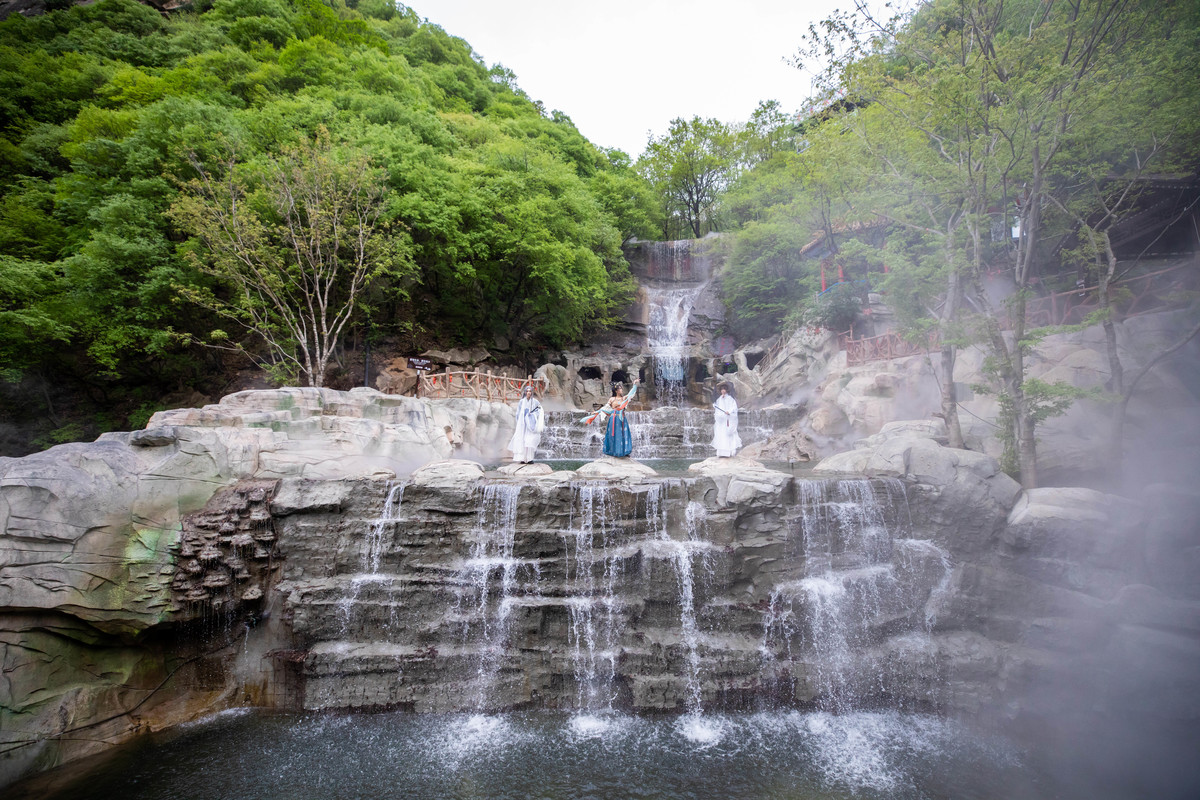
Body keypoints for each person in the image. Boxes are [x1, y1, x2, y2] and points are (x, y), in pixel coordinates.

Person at [584, 377, 640, 458]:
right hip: (613, 419)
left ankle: (624, 451)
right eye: (620, 389)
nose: (622, 390)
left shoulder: (624, 398)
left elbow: (631, 394)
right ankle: (613, 451)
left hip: (622, 418)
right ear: (616, 390)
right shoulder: (612, 399)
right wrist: (596, 412)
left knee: (623, 434)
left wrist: (634, 384)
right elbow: (605, 408)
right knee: (613, 434)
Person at [508, 385, 544, 463]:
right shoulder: (522, 401)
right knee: (523, 440)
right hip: (523, 424)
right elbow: (518, 412)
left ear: (532, 392)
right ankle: (522, 458)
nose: (528, 393)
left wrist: (532, 415)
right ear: (525, 392)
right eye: (527, 391)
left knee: (530, 440)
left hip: (531, 424)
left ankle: (530, 458)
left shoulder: (535, 402)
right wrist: (522, 418)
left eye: (530, 391)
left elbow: (539, 410)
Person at [710, 383, 742, 458]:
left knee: (729, 434)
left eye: (724, 389)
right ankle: (721, 452)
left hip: (728, 420)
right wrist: (719, 415)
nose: (723, 391)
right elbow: (717, 411)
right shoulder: (719, 400)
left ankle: (730, 451)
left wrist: (729, 412)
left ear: (726, 390)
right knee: (721, 434)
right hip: (721, 421)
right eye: (722, 389)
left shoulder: (730, 399)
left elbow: (734, 408)